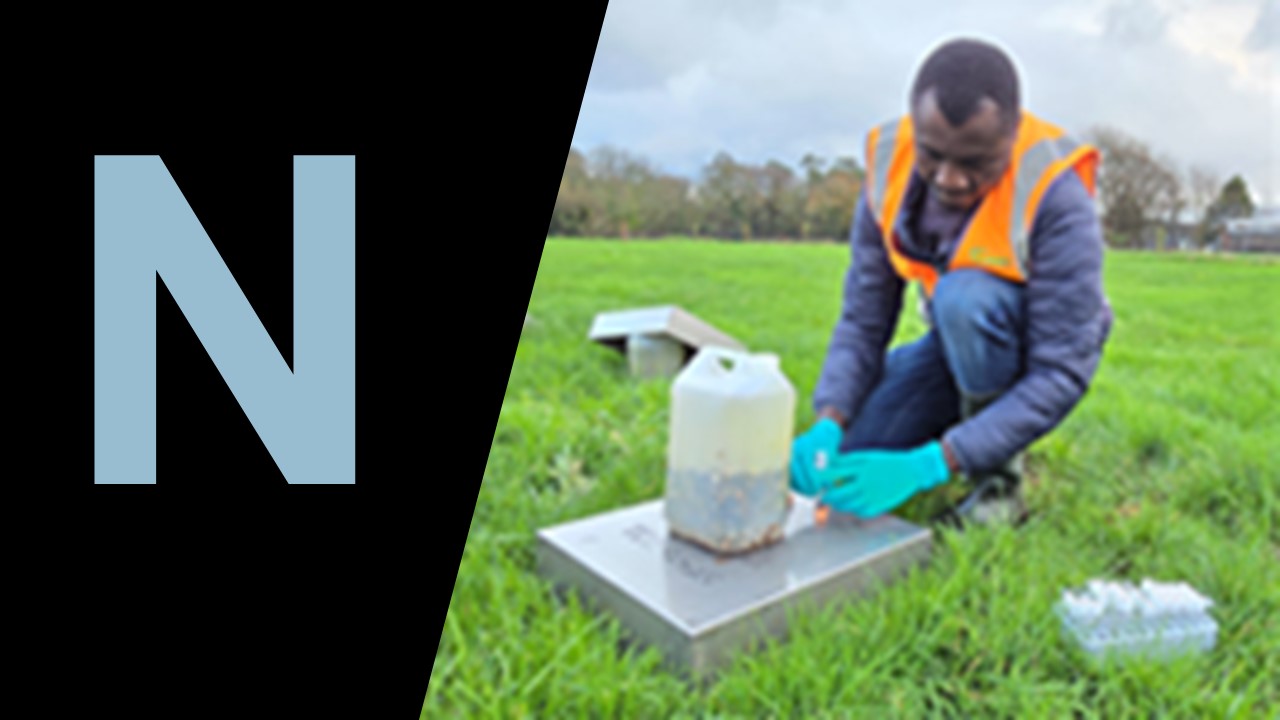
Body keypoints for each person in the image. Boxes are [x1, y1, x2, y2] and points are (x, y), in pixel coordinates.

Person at [789, 37, 1113, 528]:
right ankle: (959, 431)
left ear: (1012, 133)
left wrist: (932, 463)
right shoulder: (887, 172)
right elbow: (864, 318)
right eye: (933, 155)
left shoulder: (1055, 195)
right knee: (854, 455)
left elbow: (1062, 372)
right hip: (955, 340)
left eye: (975, 163)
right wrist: (830, 416)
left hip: (1027, 350)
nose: (949, 179)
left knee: (968, 299)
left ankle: (997, 489)